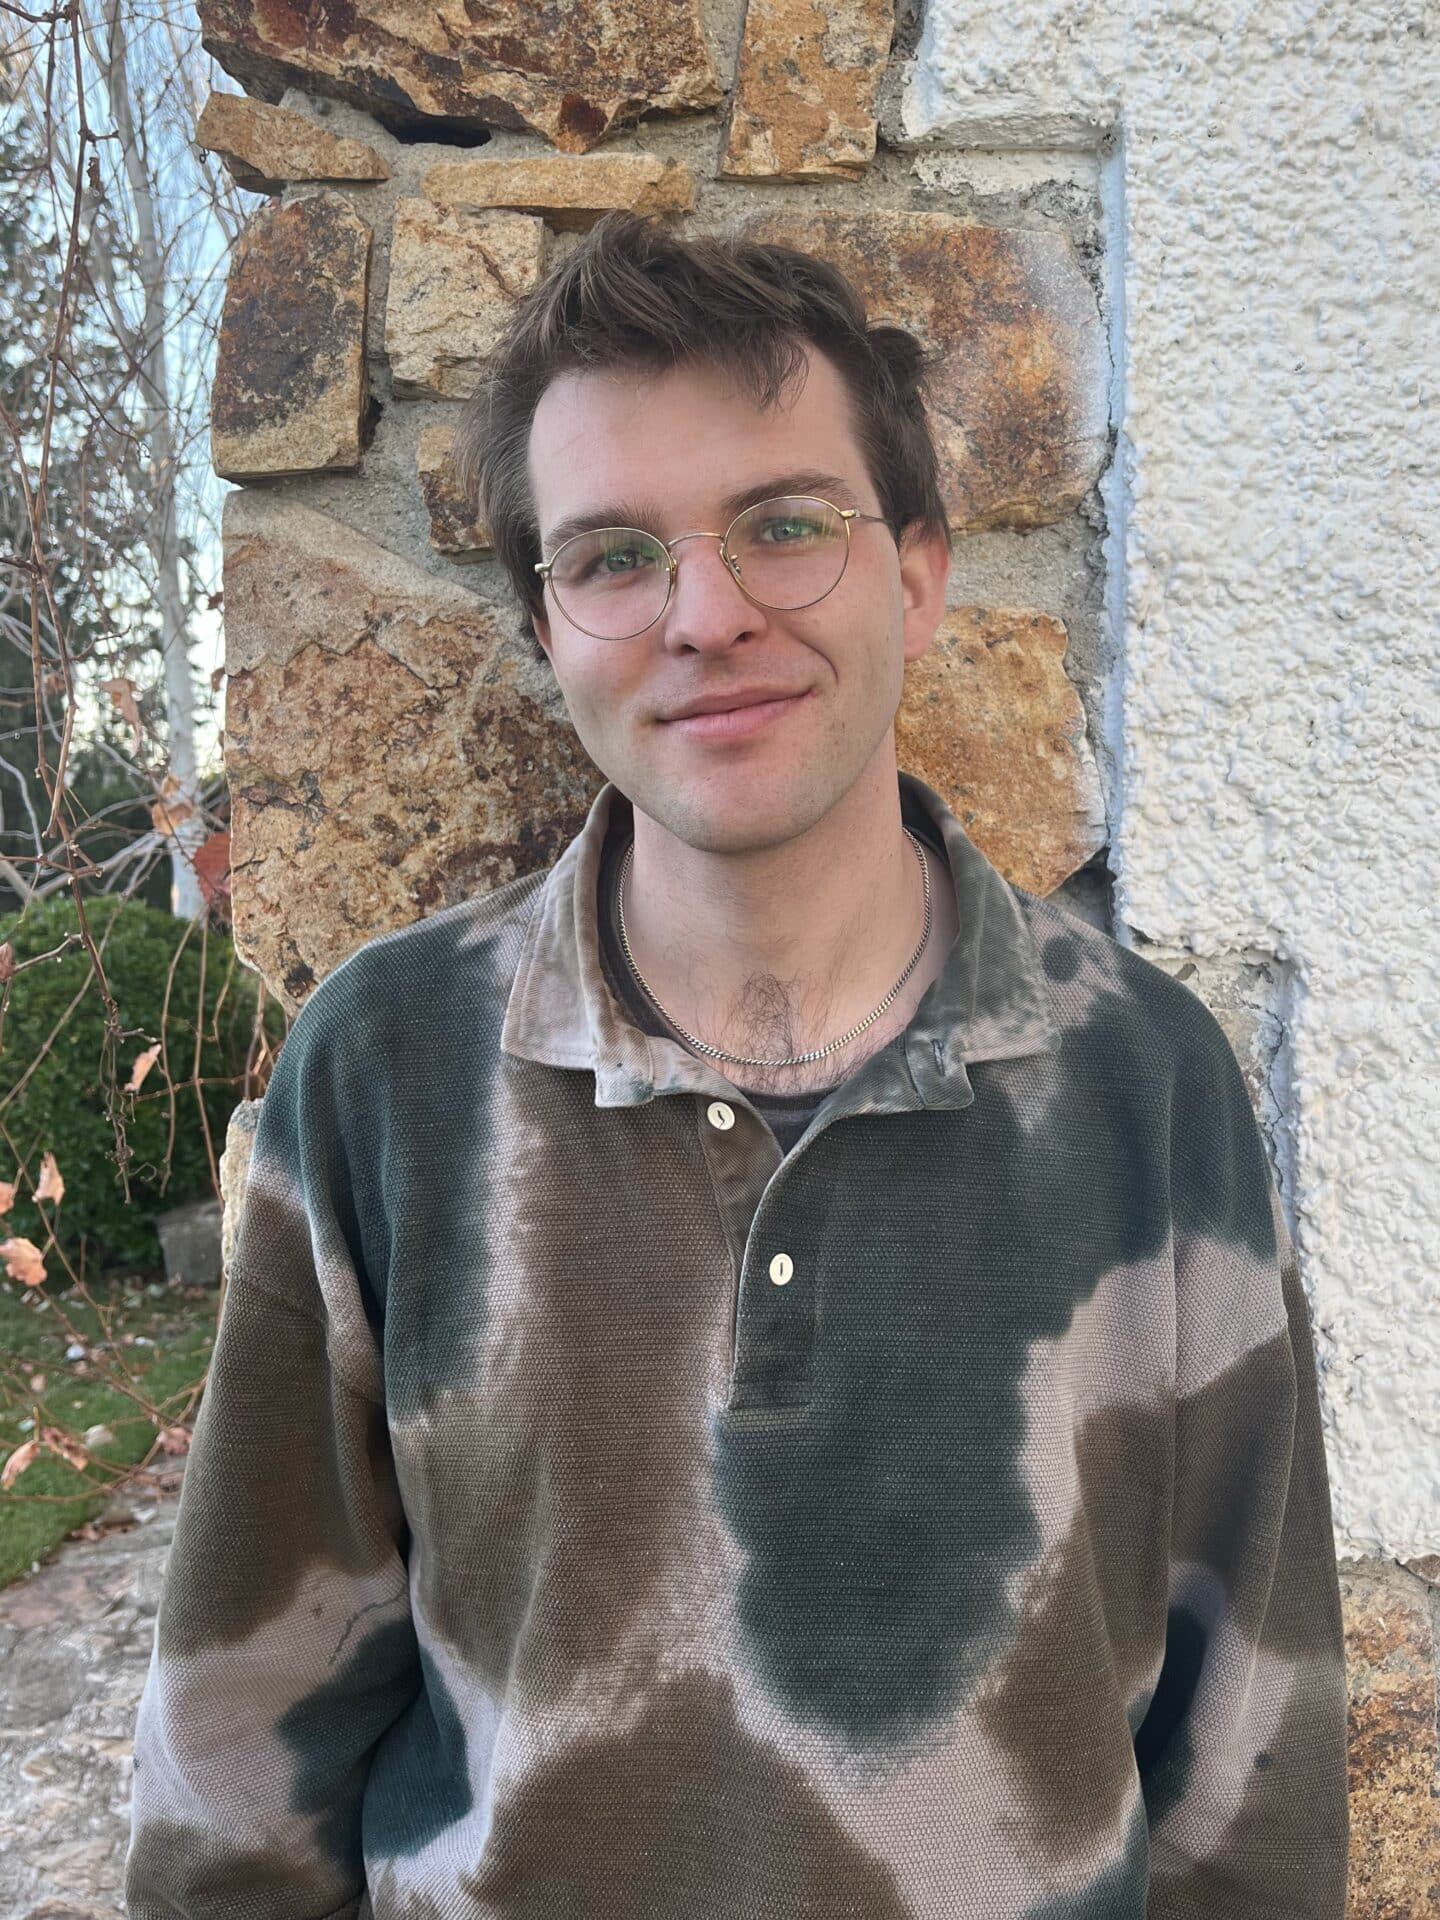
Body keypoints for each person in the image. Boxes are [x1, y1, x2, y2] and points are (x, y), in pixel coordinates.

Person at [124, 211, 1349, 1918]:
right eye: (613, 556)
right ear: (547, 625)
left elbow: (1252, 1778)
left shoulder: (1147, 1086)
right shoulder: (385, 1079)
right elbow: (236, 1767)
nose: (703, 615)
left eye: (784, 526)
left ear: (918, 575)